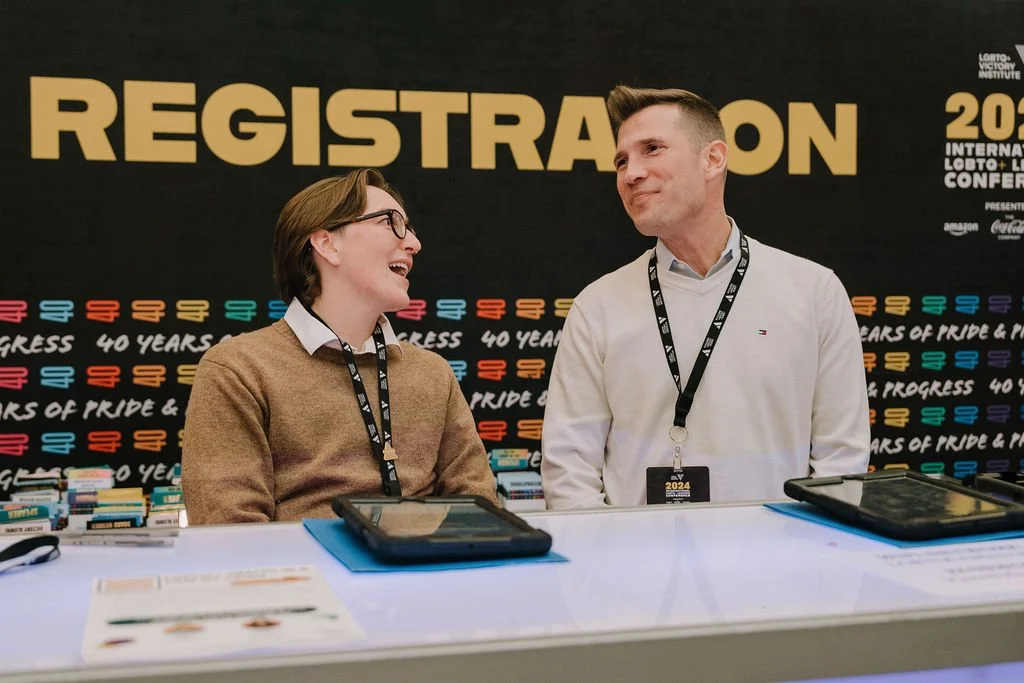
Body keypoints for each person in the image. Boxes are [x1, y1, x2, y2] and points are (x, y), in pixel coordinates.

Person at [541, 85, 869, 509]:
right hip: (639, 569)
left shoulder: (814, 290)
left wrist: (806, 563)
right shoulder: (598, 305)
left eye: (652, 149)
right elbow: (569, 471)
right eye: (621, 160)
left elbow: (841, 461)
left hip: (781, 567)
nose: (631, 173)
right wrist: (613, 568)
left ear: (713, 159)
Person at [182, 169, 497, 524]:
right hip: (306, 578)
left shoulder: (432, 372)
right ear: (328, 245)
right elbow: (232, 535)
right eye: (390, 223)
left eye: (408, 227)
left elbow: (480, 513)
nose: (413, 243)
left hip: (425, 576)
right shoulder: (238, 371)